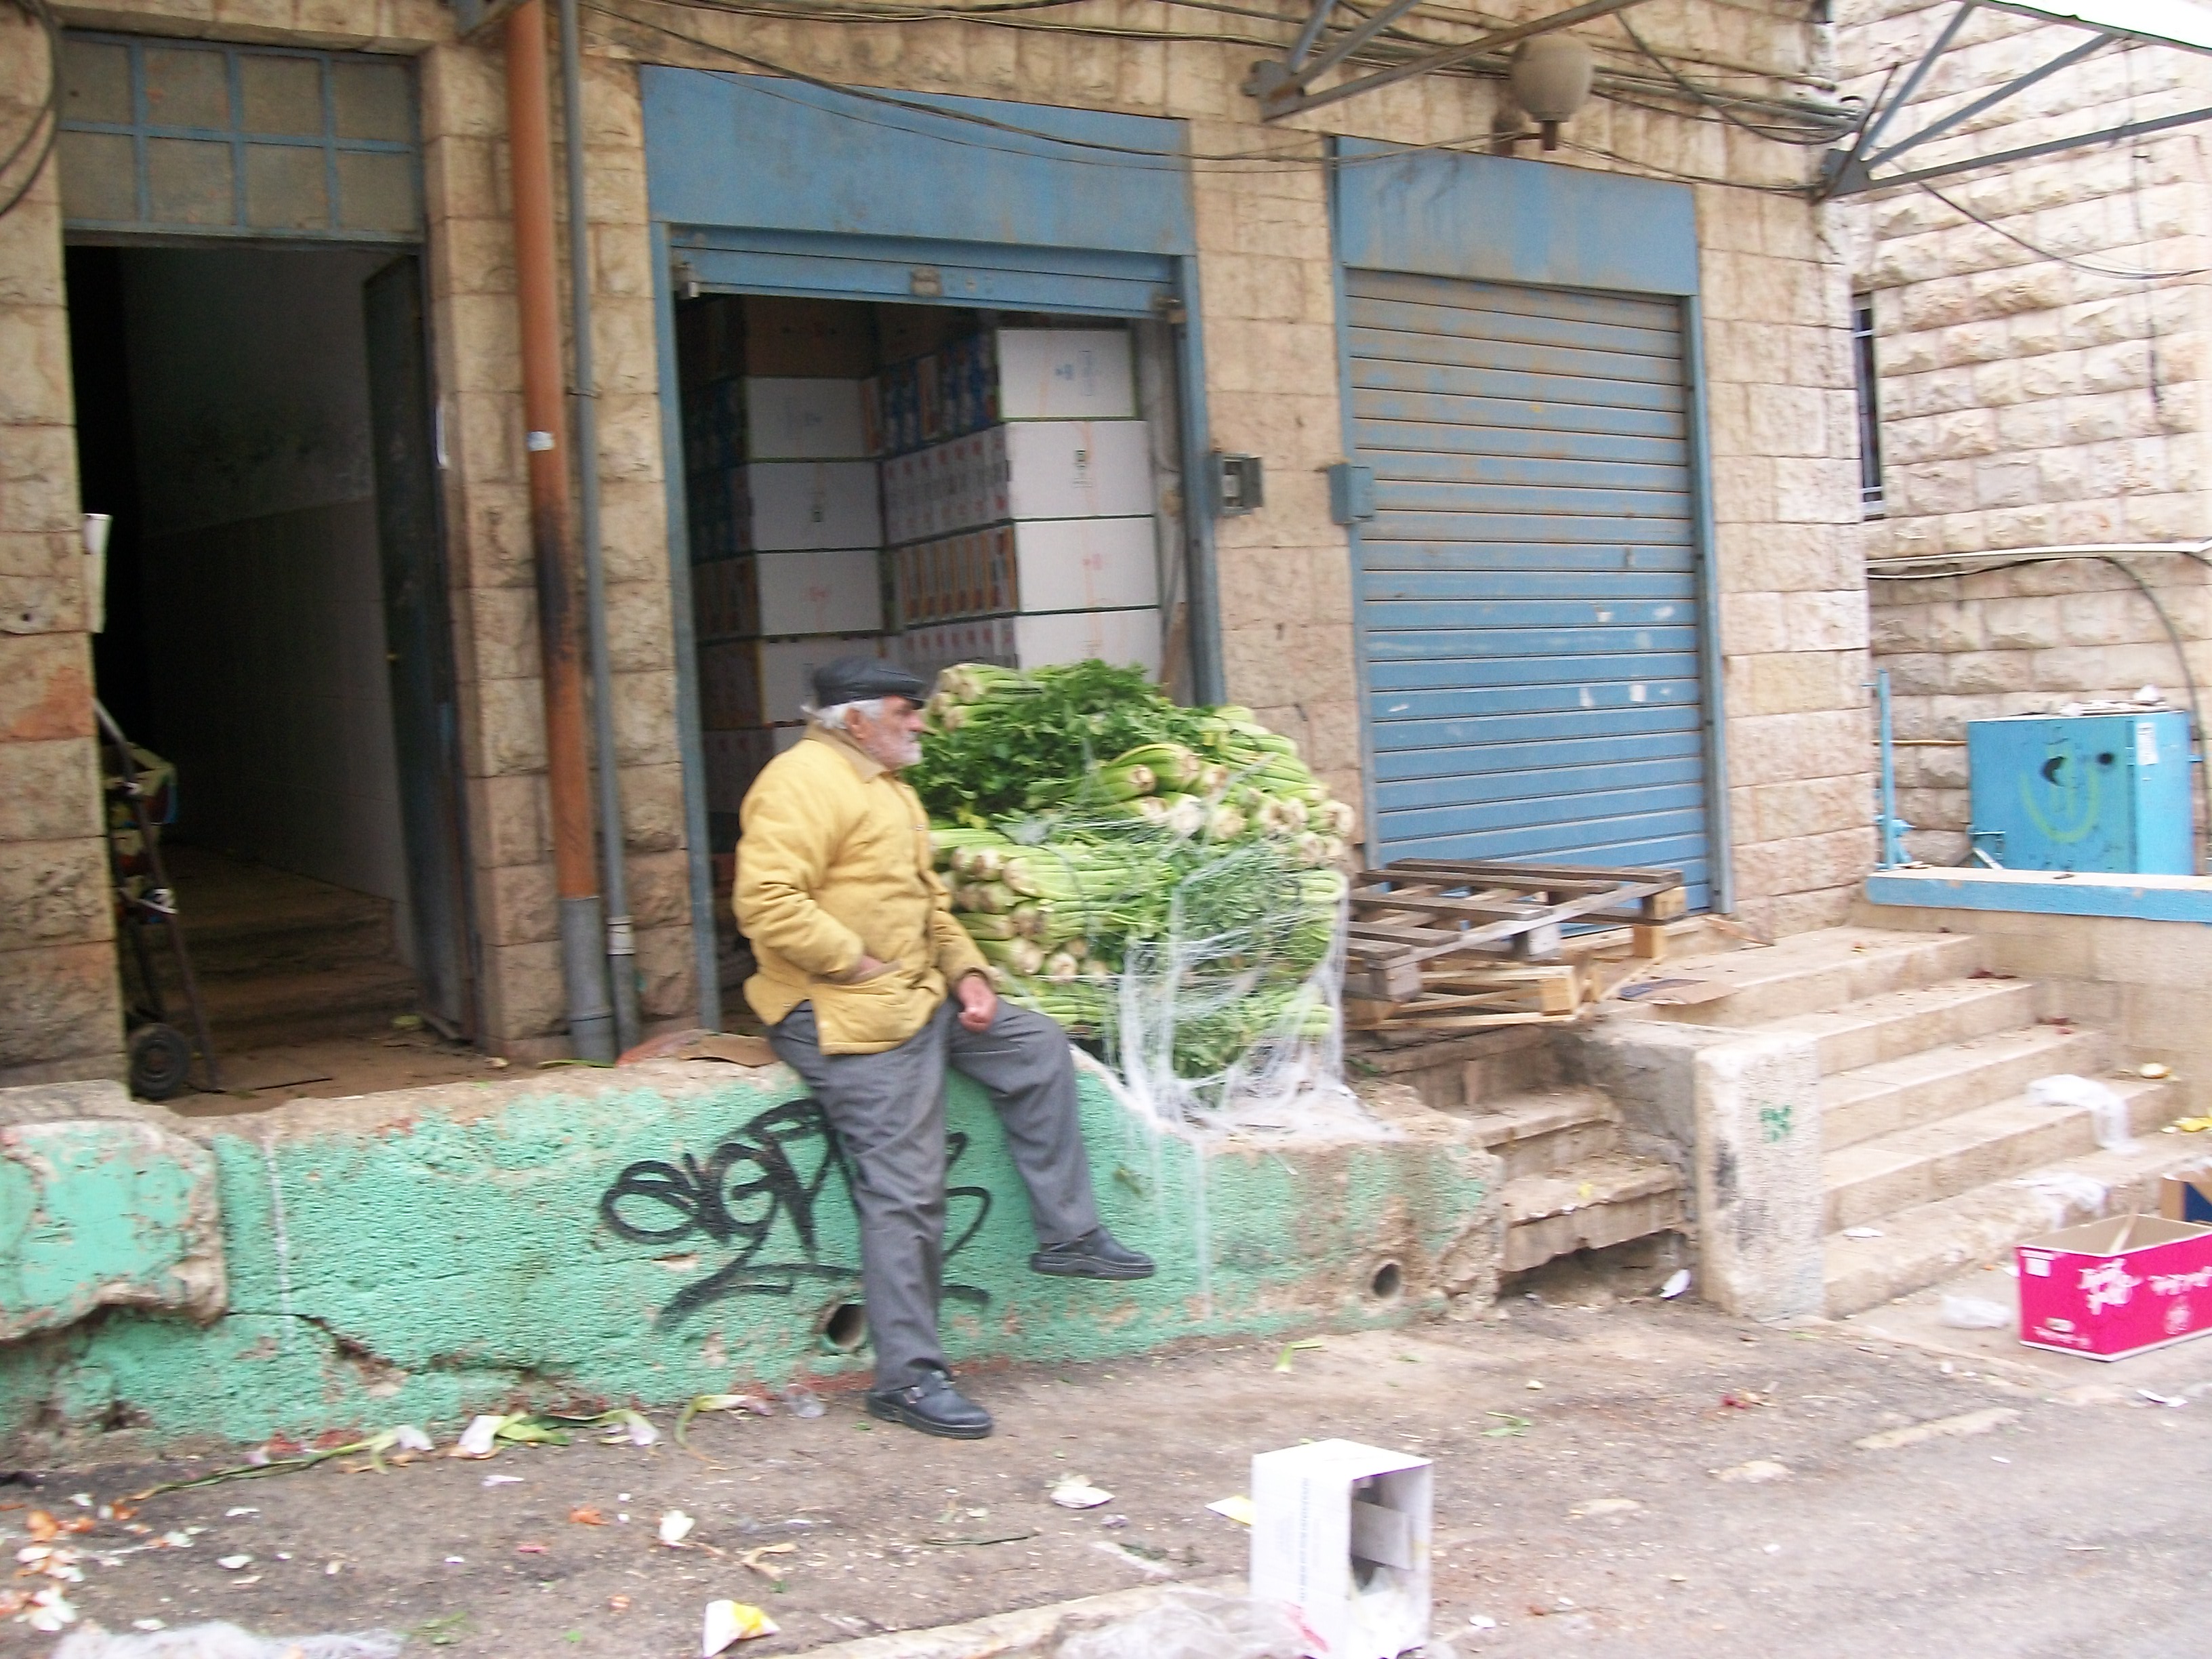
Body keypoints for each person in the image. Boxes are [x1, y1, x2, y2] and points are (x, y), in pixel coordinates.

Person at [735, 656, 1153, 1439]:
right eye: (906, 710)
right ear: (855, 720)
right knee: (908, 1183)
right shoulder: (800, 782)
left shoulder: (888, 788)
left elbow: (929, 905)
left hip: (913, 994)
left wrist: (968, 973)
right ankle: (907, 1379)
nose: (921, 722)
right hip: (839, 1007)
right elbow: (764, 901)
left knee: (1033, 1047)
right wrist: (851, 959)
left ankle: (1069, 1235)